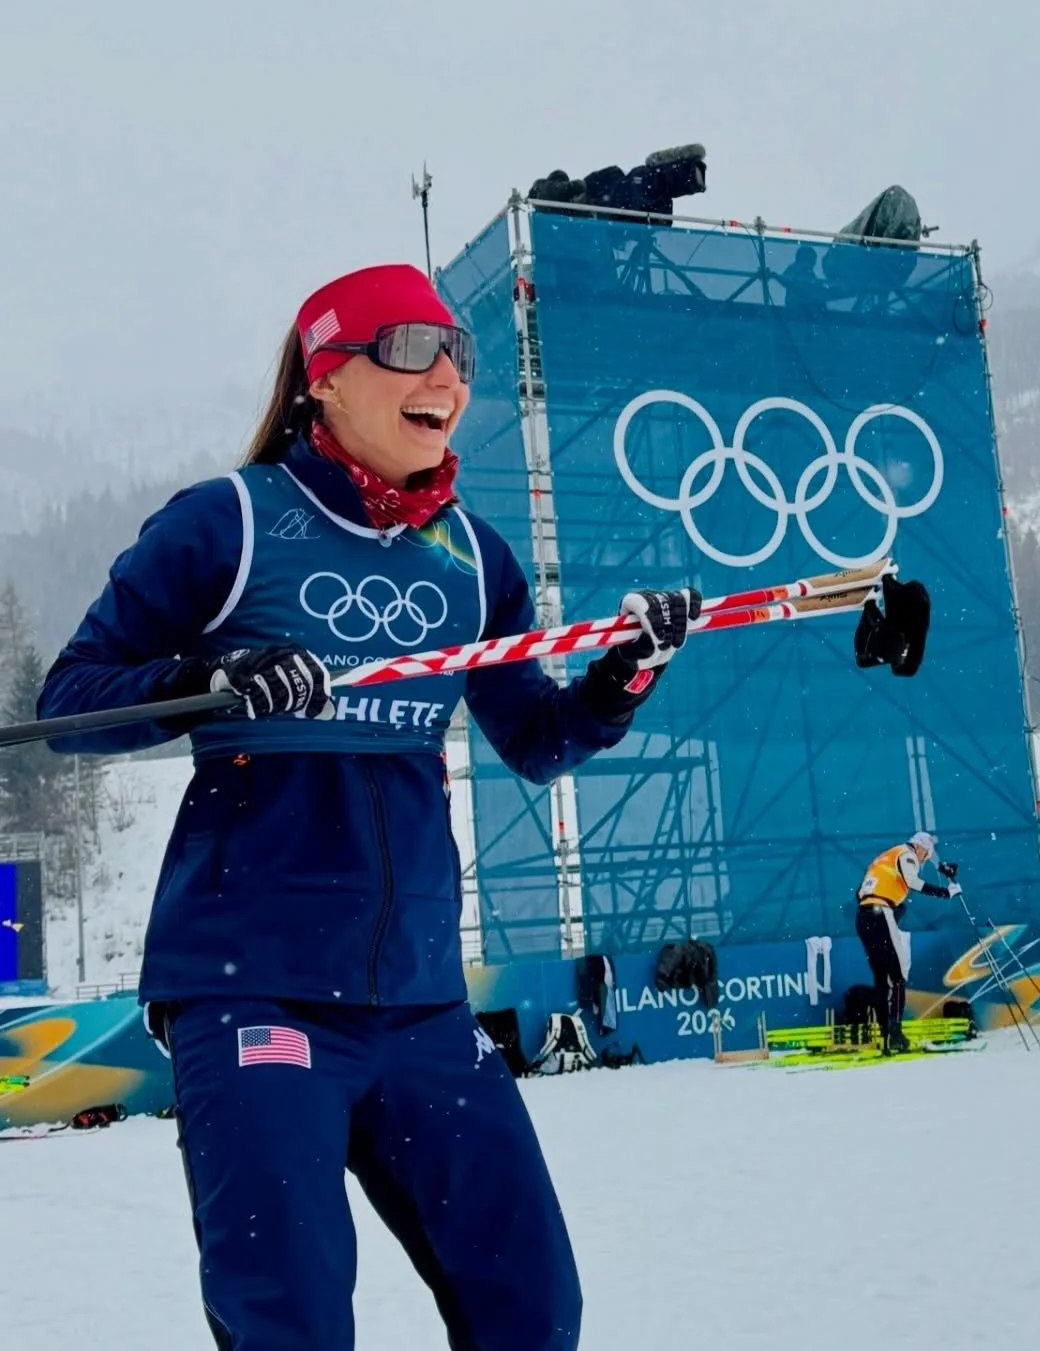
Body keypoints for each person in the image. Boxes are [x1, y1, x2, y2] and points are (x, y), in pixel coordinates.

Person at [37, 263, 701, 1351]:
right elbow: (68, 706)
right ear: (324, 377)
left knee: (532, 1308)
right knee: (292, 1320)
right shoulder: (230, 522)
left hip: (420, 1001)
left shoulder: (472, 558)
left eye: (458, 355)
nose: (444, 373)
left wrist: (623, 672)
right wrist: (209, 680)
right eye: (406, 348)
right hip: (256, 988)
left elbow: (535, 740)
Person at [854, 830, 960, 1052]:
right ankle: (895, 1033)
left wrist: (894, 906)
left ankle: (884, 1037)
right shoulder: (907, 853)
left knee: (882, 978)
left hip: (863, 915)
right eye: (926, 855)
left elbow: (861, 893)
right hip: (879, 912)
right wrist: (945, 893)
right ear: (920, 847)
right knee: (899, 974)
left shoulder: (886, 855)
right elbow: (913, 882)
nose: (923, 860)